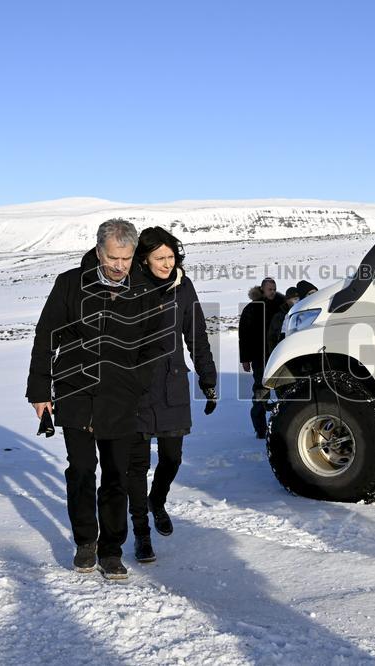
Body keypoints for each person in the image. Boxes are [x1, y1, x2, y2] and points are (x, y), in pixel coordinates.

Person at [25, 219, 160, 581]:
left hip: (120, 398)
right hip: (76, 396)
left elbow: (156, 345)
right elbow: (45, 337)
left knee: (116, 476)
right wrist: (40, 392)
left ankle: (111, 550)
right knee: (82, 472)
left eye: (127, 259)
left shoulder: (144, 290)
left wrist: (136, 383)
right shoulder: (70, 284)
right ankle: (86, 542)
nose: (120, 266)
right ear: (99, 252)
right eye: (113, 257)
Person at [128, 227, 218, 563]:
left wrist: (207, 378)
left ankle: (157, 500)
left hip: (171, 384)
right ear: (144, 259)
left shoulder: (183, 286)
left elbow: (197, 335)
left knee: (172, 458)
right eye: (160, 258)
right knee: (135, 466)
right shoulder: (128, 288)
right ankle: (141, 532)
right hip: (134, 389)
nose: (168, 263)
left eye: (172, 257)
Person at [238, 278, 286, 438]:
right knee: (261, 391)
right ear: (262, 290)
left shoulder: (282, 306)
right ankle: (260, 429)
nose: (272, 291)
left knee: (284, 390)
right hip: (259, 357)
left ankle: (286, 425)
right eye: (269, 289)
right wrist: (245, 358)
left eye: (274, 288)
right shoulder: (252, 309)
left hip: (280, 355)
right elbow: (244, 335)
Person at [267, 286, 300, 357]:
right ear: (287, 300)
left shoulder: (304, 313)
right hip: (282, 354)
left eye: (298, 299)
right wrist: (274, 354)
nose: (297, 301)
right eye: (294, 299)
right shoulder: (279, 316)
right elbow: (271, 337)